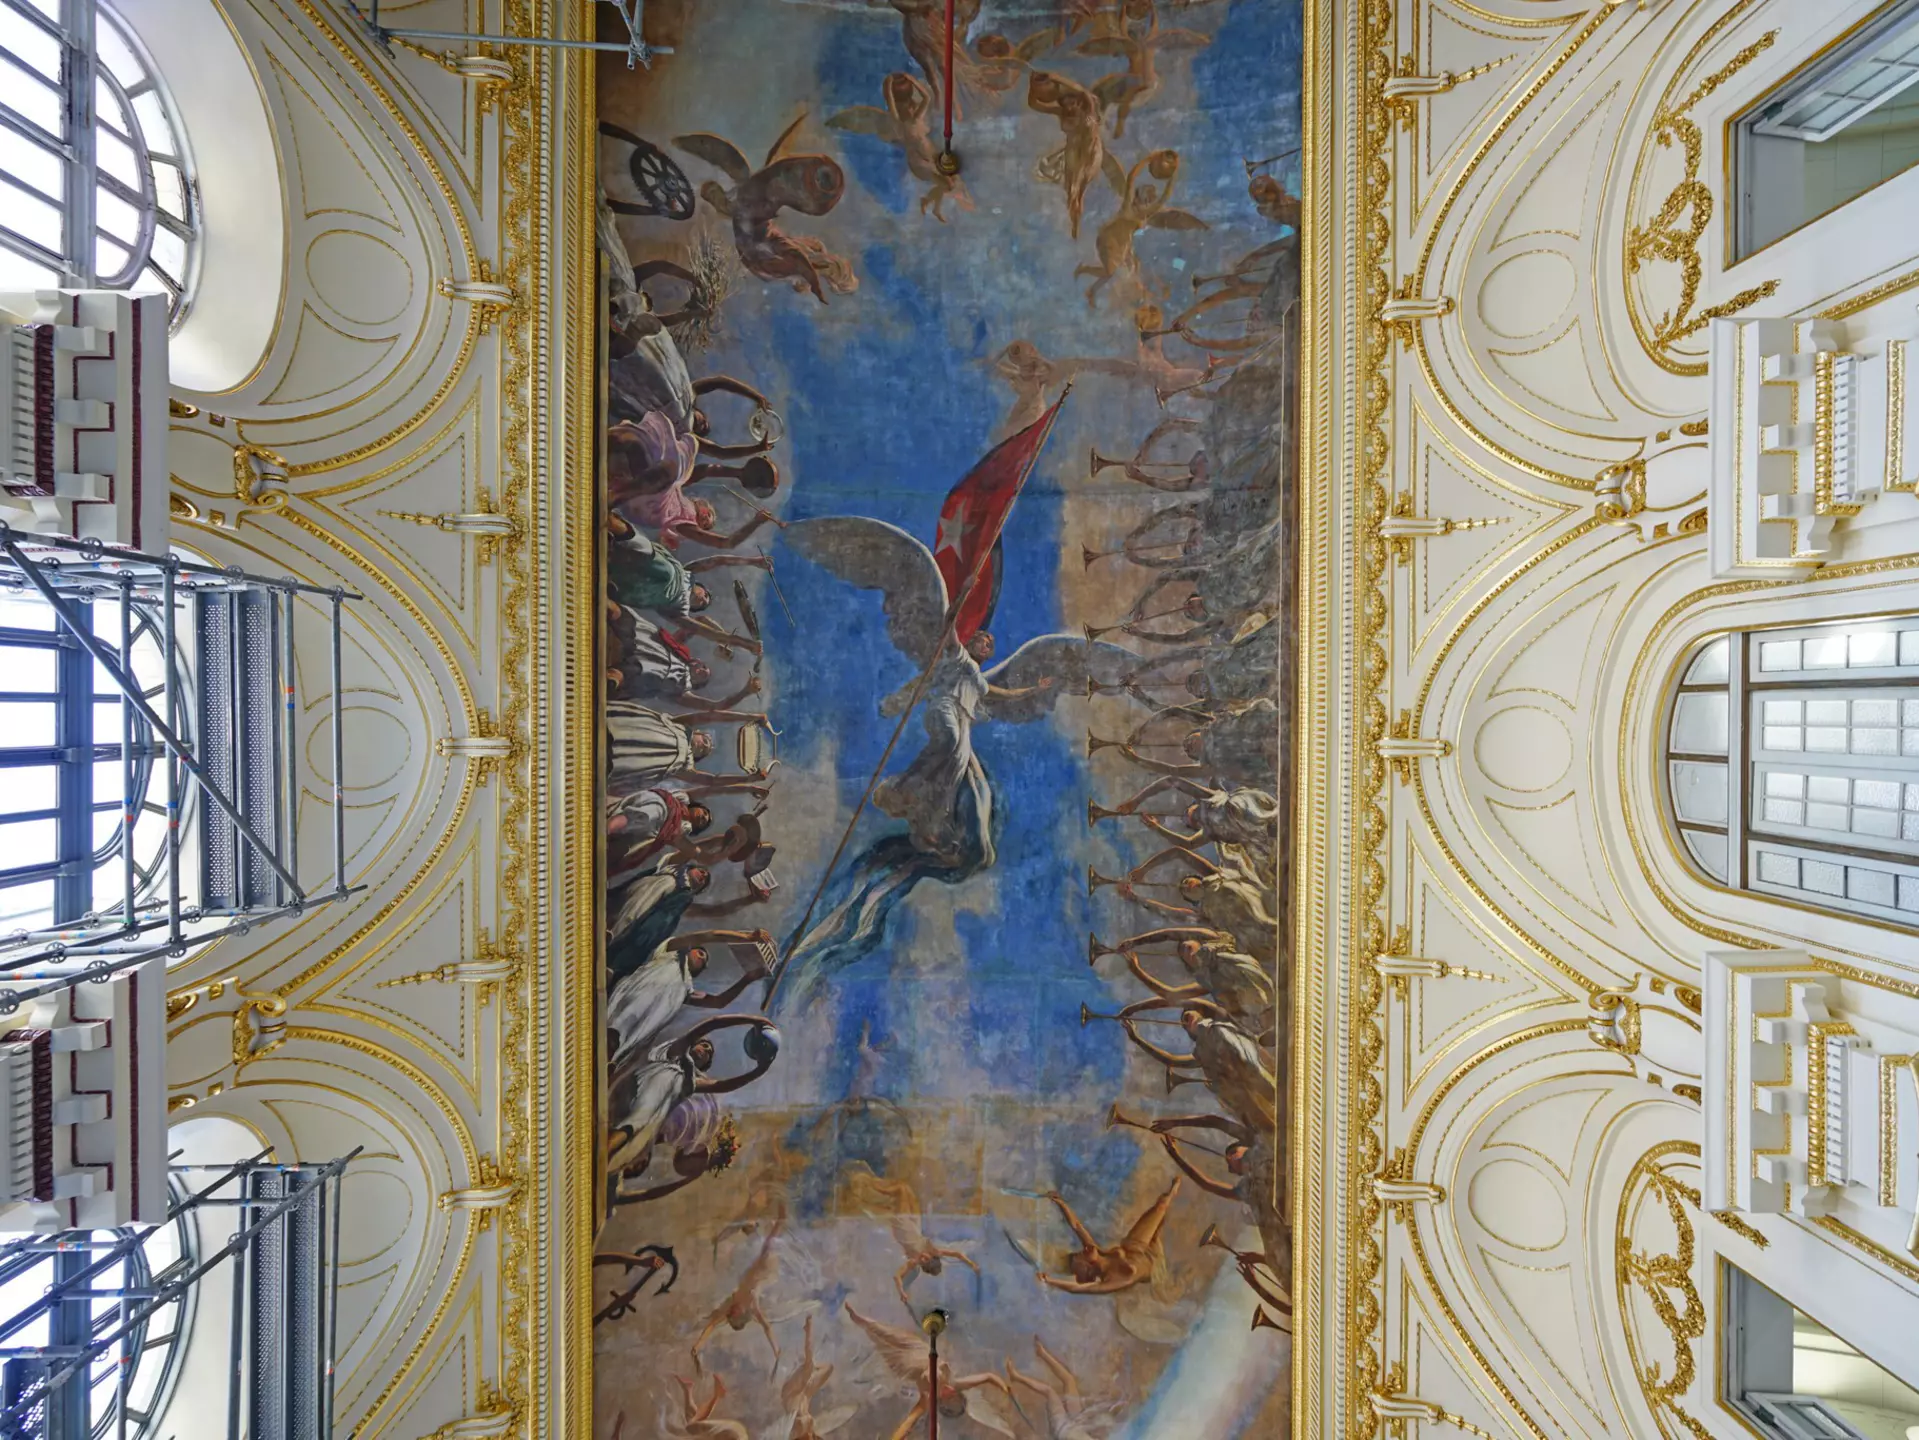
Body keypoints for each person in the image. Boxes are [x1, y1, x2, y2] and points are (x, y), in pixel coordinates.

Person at [1035, 1178, 1182, 1295]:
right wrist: (1050, 1281)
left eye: (1079, 1253)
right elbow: (1077, 1289)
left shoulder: (1094, 1250)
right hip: (1151, 1265)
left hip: (1135, 1246)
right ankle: (1157, 1240)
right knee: (1158, 1231)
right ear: (1088, 1271)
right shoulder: (1111, 1280)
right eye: (1081, 1256)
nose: (1083, 1250)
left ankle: (1173, 1191)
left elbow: (1076, 1226)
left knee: (1161, 1207)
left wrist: (1060, 1203)